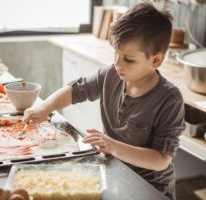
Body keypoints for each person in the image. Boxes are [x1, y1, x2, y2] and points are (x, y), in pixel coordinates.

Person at [23, 1, 185, 199]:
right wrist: (44, 108)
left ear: (156, 60)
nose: (117, 63)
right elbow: (75, 91)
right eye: (115, 53)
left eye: (128, 58)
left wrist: (113, 146)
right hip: (116, 174)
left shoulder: (169, 99)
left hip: (151, 189)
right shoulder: (111, 75)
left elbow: (161, 160)